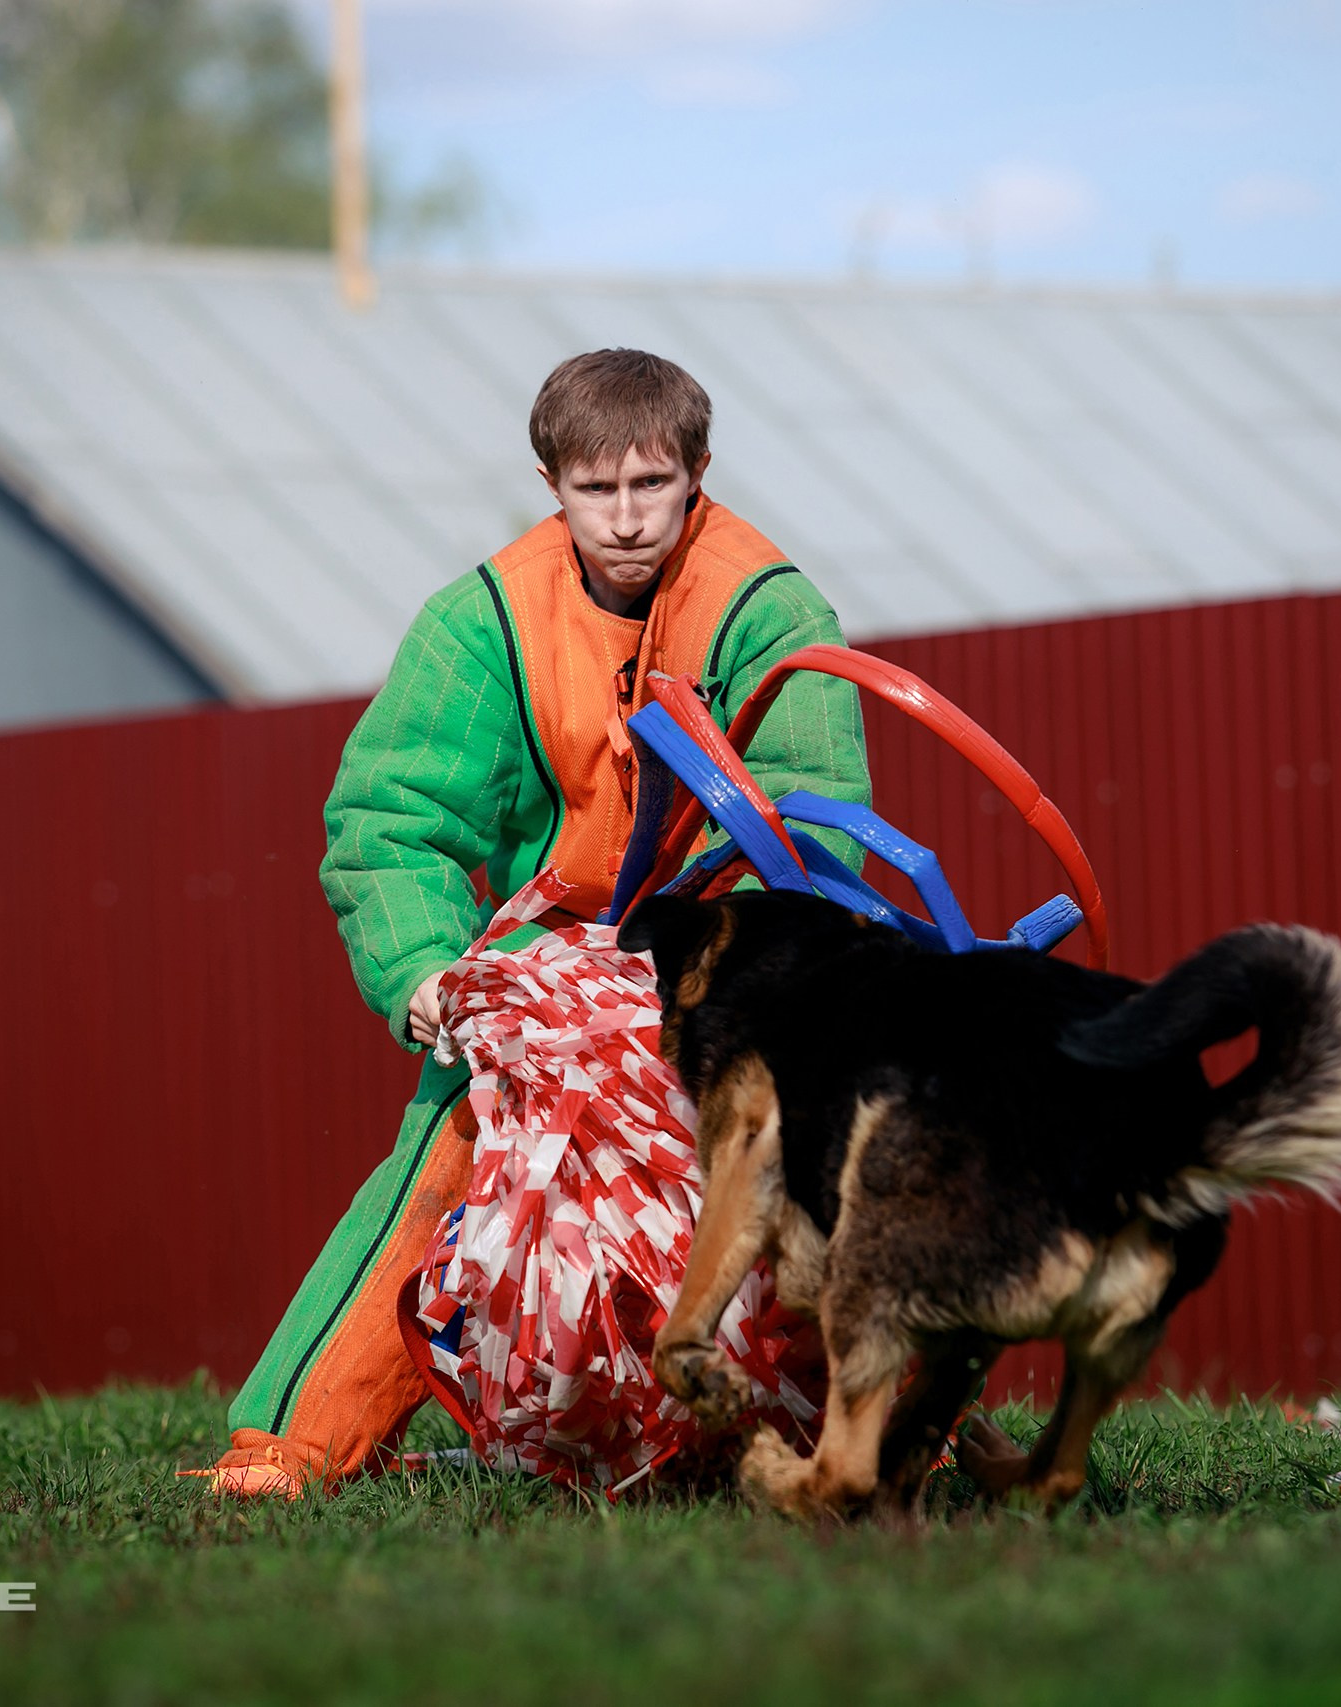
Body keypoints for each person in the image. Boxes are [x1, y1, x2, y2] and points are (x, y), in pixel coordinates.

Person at [208, 349, 872, 1496]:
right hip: (537, 972)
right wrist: (421, 972)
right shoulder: (482, 623)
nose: (624, 519)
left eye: (650, 486)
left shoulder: (769, 609)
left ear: (697, 473)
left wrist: (730, 994)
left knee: (800, 1179)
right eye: (594, 491)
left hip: (720, 965)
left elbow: (815, 824)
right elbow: (388, 817)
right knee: (451, 1161)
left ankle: (875, 1441)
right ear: (549, 482)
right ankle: (286, 1452)